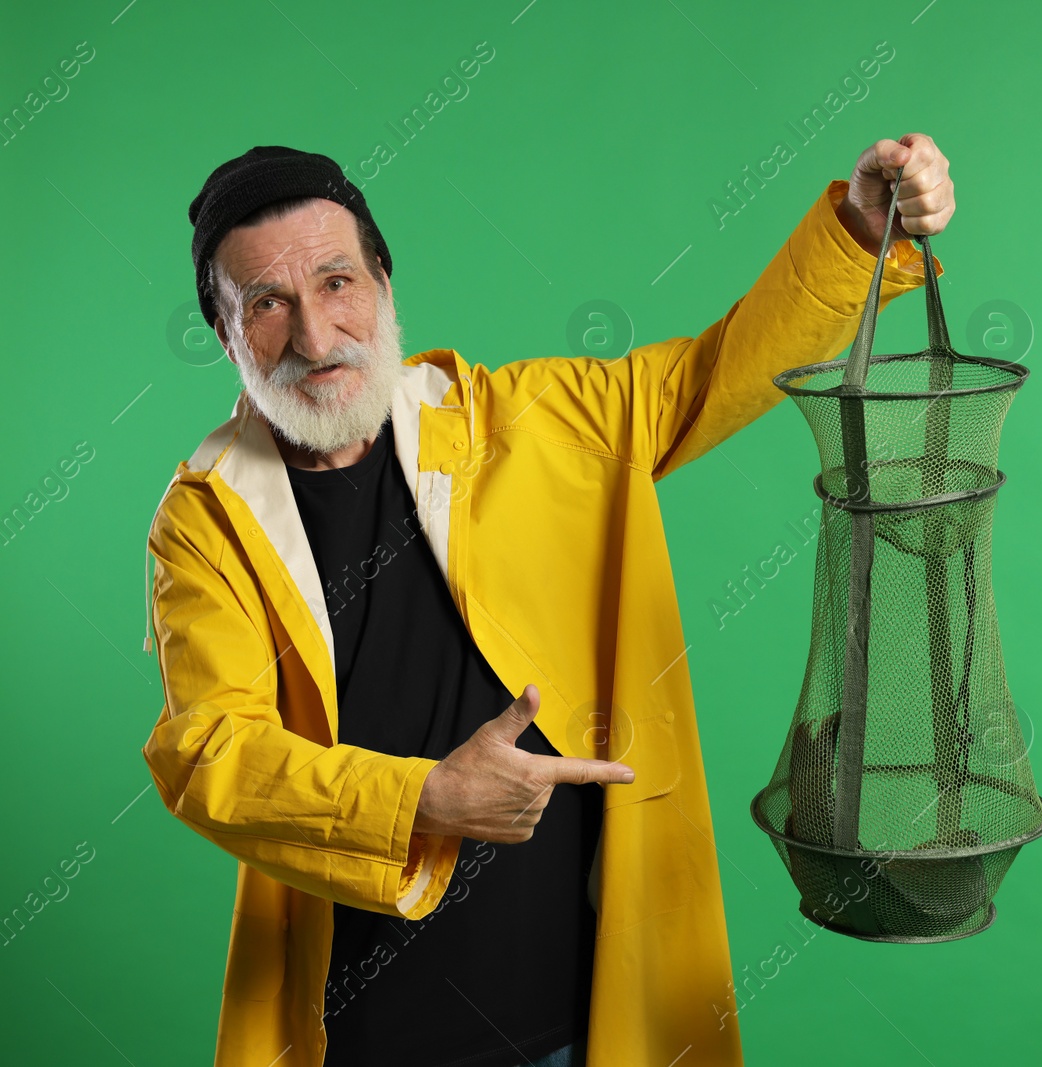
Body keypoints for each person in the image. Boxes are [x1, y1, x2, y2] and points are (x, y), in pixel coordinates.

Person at [141, 136, 953, 1067]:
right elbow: (211, 753)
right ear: (226, 334)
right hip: (363, 1035)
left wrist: (858, 232)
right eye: (268, 304)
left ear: (384, 283)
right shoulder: (206, 519)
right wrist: (430, 798)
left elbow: (711, 374)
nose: (318, 338)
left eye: (335, 283)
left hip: (585, 1020)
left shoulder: (538, 423)